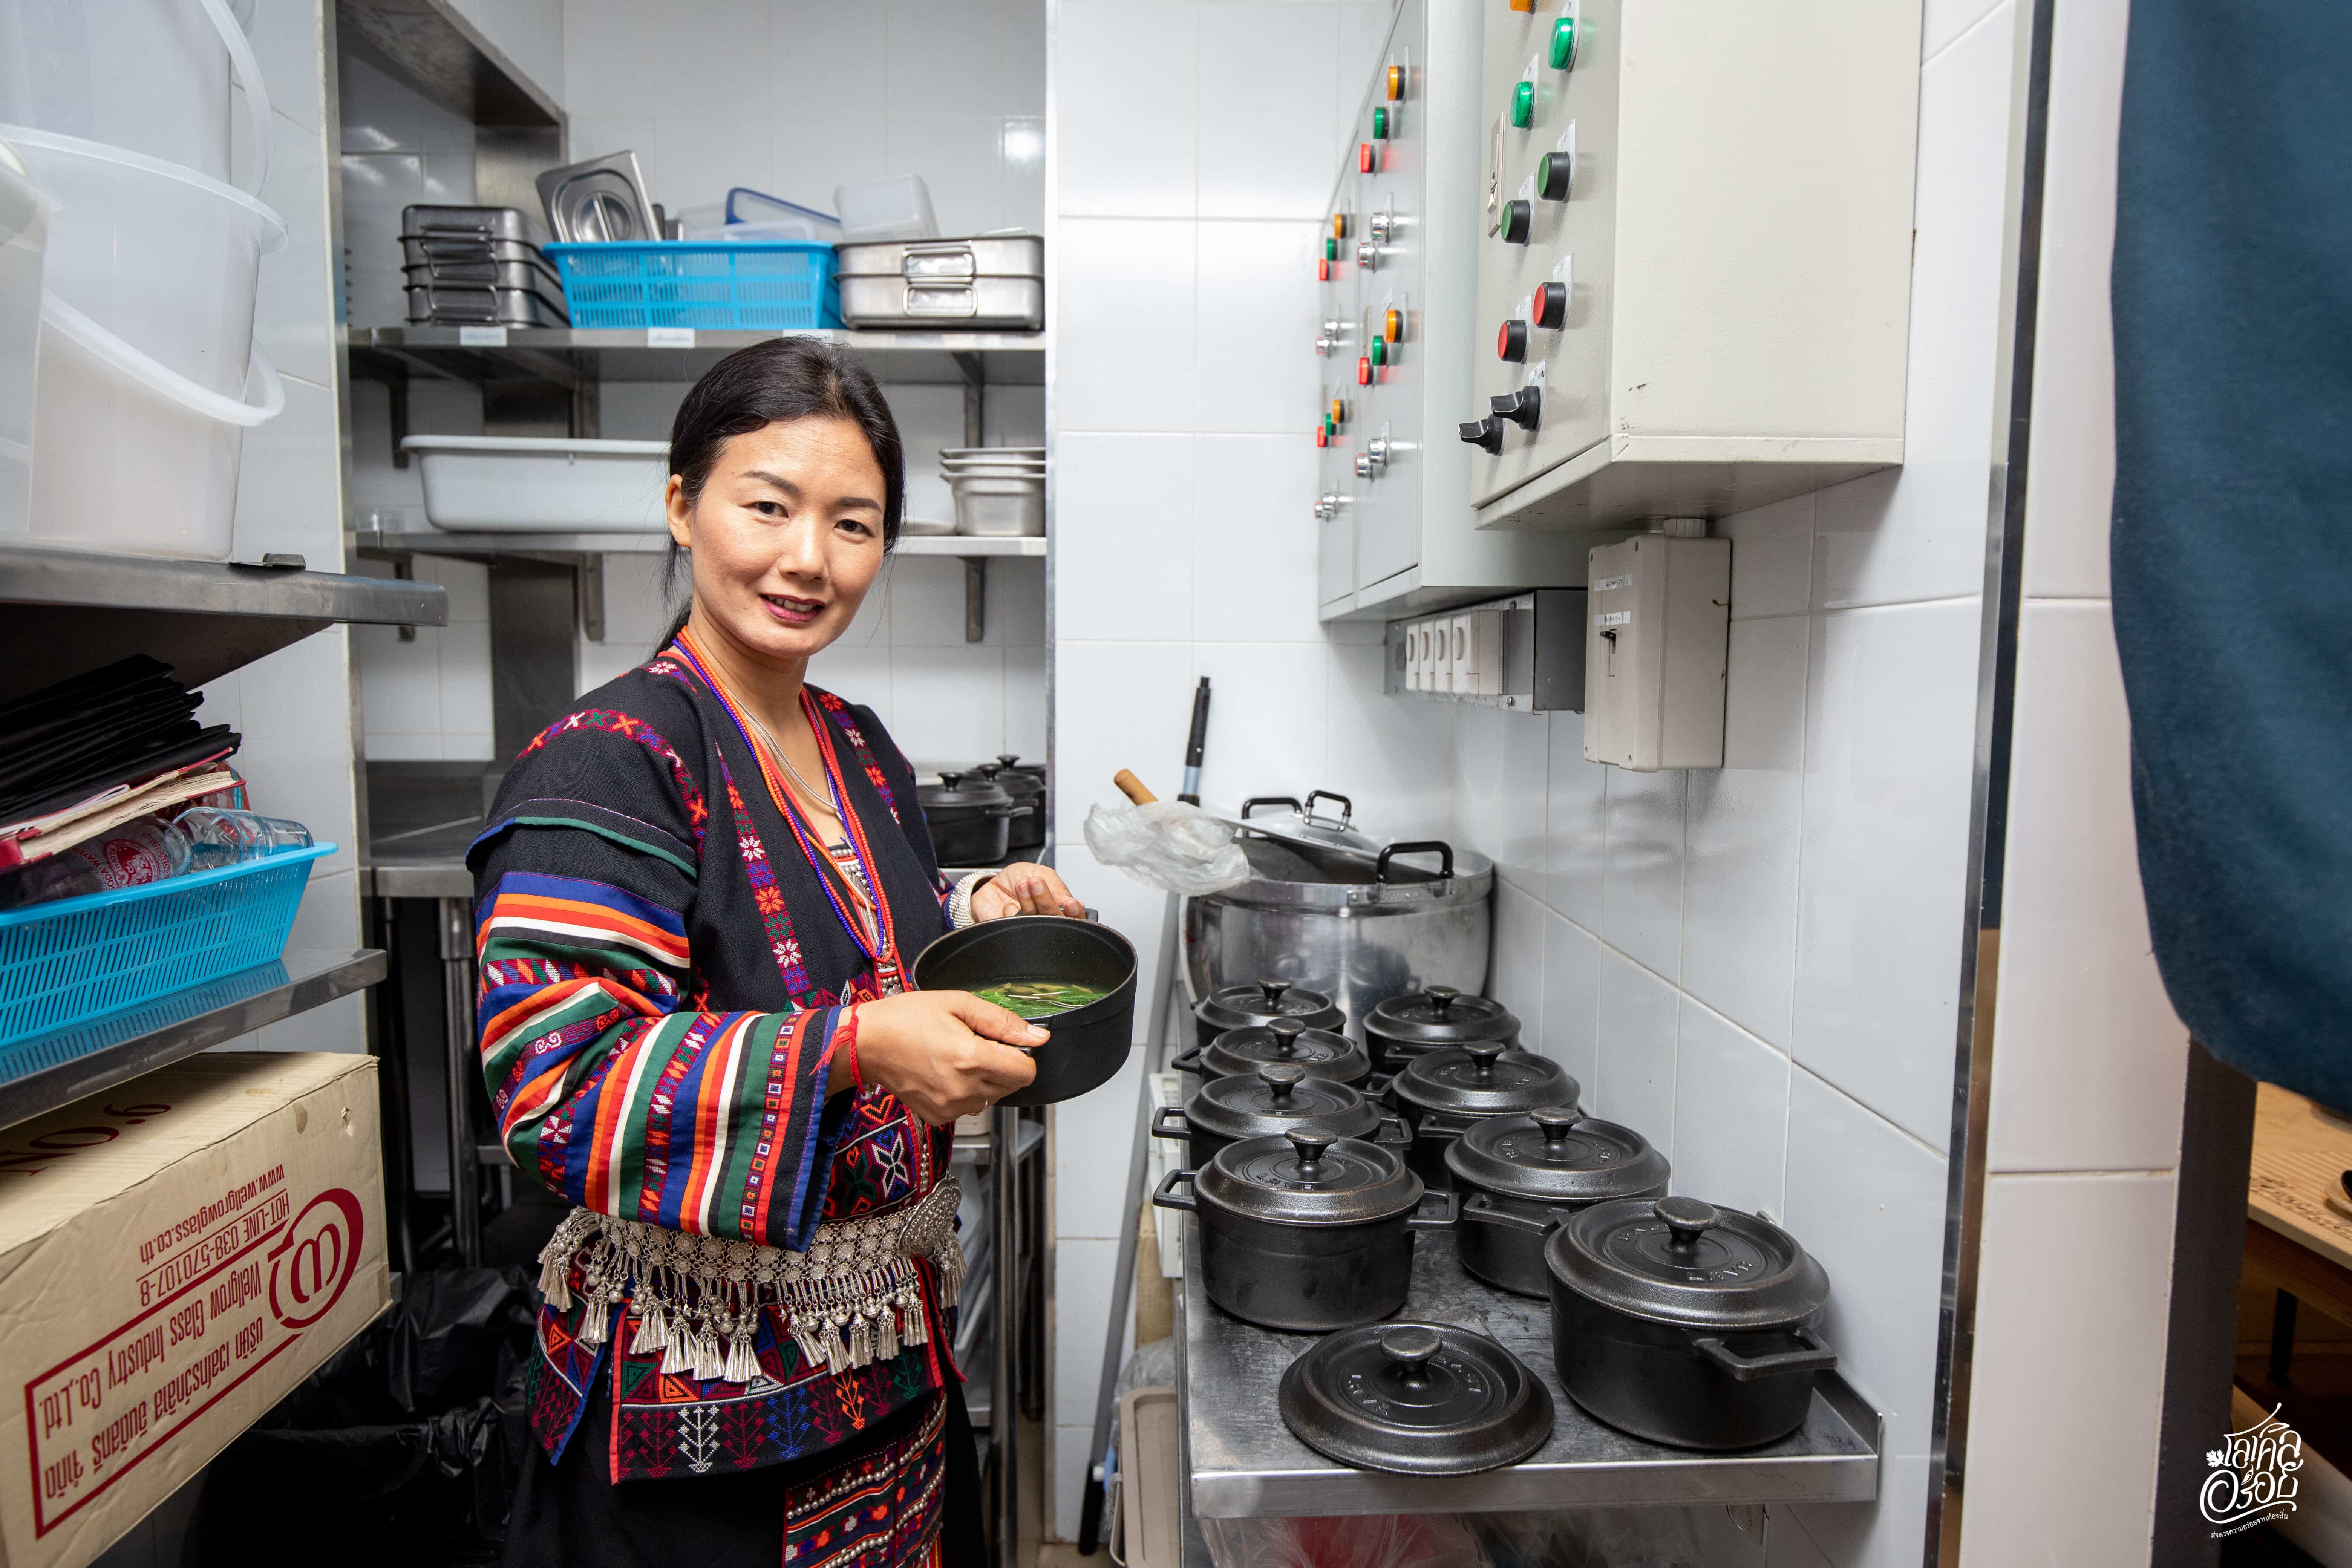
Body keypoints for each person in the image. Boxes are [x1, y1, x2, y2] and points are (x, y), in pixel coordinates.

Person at [469, 337, 1082, 1567]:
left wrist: (972, 914)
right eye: (768, 506)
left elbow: (844, 929)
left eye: (853, 525)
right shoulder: (613, 756)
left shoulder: (853, 741)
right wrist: (857, 1047)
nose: (808, 559)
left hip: (889, 1377)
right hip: (696, 1427)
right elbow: (559, 1088)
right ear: (683, 505)